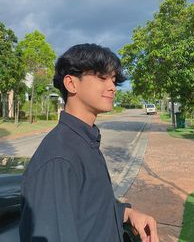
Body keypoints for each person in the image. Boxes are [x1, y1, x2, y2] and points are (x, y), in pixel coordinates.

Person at [19, 43, 159, 242]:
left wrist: (126, 214)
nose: (112, 87)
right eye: (102, 77)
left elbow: (91, 207)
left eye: (113, 79)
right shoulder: (59, 158)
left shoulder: (86, 140)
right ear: (71, 84)